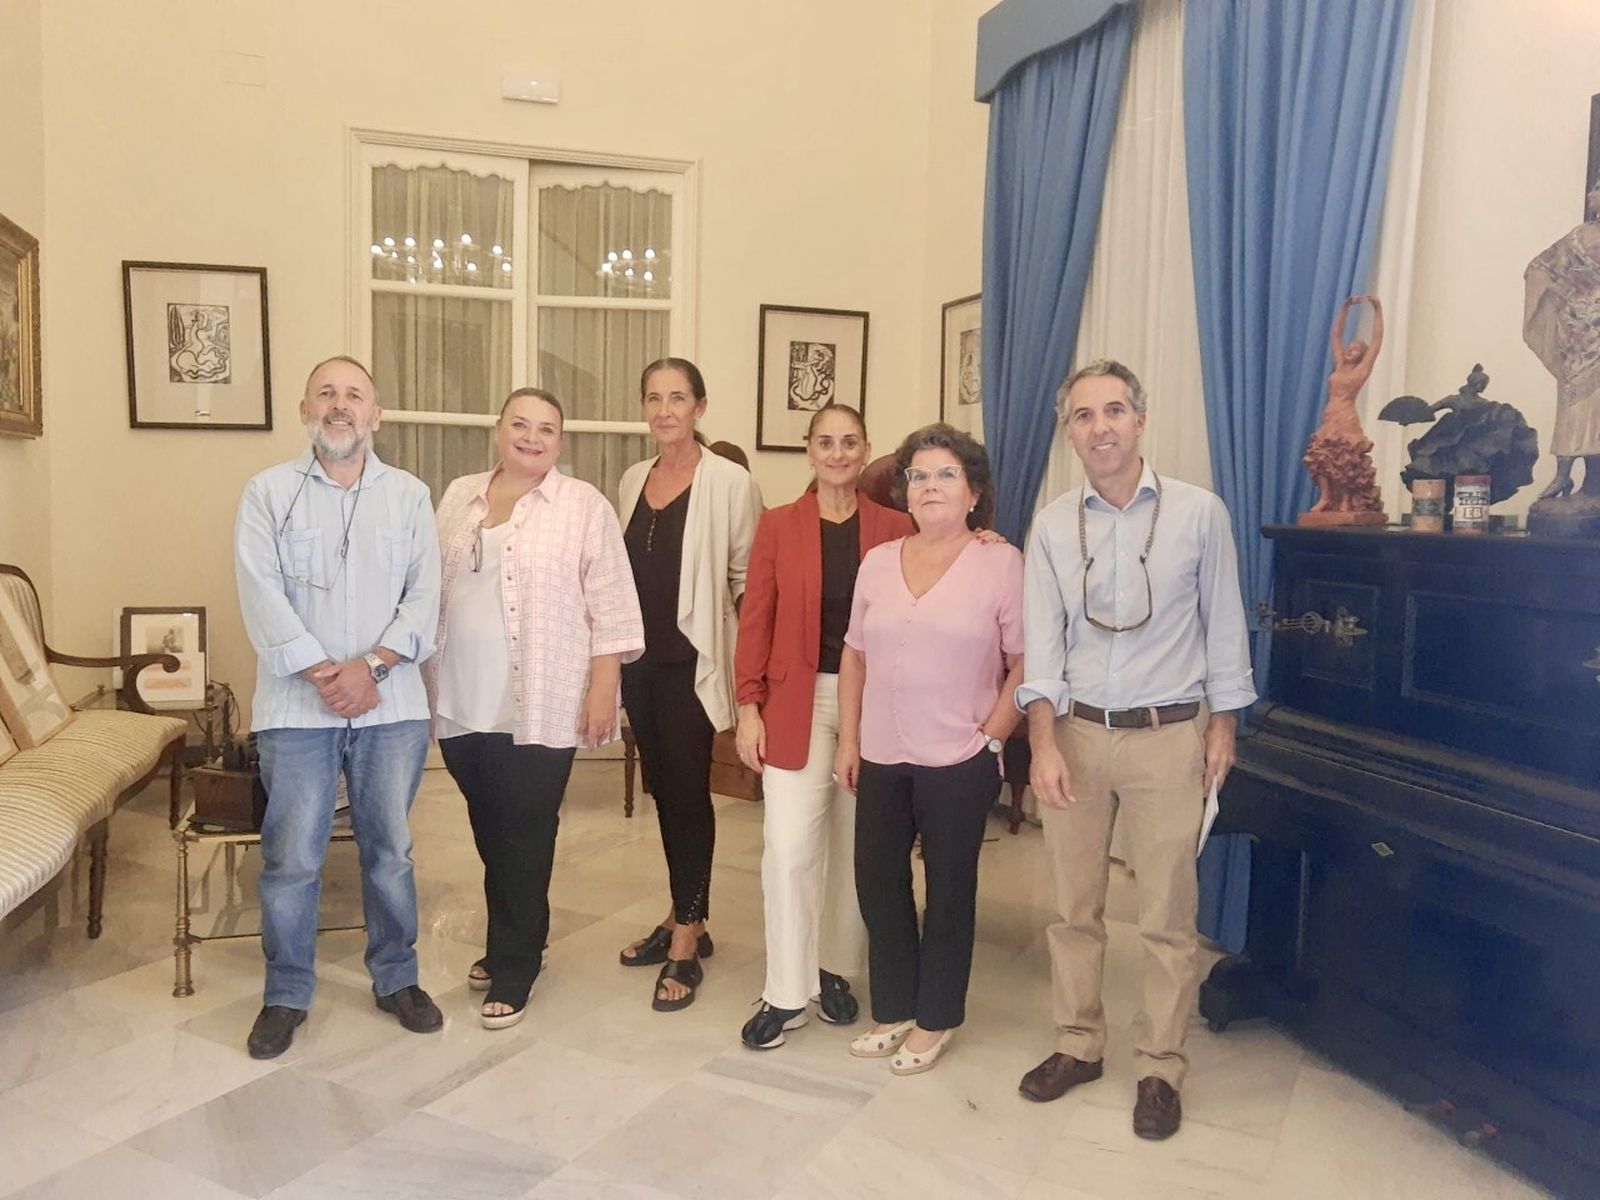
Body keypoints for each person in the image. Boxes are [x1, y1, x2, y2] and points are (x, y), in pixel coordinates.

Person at [1015, 359, 1256, 1139]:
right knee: (1074, 908)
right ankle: (1079, 1043)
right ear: (1071, 432)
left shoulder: (1198, 514)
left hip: (1168, 736)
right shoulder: (1053, 524)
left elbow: (1225, 626)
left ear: (1140, 421)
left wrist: (1223, 727)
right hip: (1078, 735)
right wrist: (1043, 743)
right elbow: (1041, 649)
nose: (1102, 427)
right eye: (1084, 416)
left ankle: (1159, 1065)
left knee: (1165, 916)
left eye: (1114, 410)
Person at [233, 355, 442, 1059]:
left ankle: (396, 978)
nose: (340, 405)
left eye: (354, 395)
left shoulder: (411, 496)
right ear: (305, 409)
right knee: (292, 857)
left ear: (375, 415)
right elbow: (260, 594)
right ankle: (286, 992)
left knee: (391, 852)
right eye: (327, 392)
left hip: (393, 706)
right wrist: (328, 673)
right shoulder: (266, 493)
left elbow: (425, 597)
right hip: (296, 708)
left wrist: (372, 666)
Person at [430, 388, 644, 1029]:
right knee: (490, 827)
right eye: (519, 425)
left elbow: (613, 604)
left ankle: (517, 961)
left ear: (560, 440)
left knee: (525, 828)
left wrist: (603, 687)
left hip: (543, 697)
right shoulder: (457, 496)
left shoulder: (584, 507)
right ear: (498, 430)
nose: (531, 437)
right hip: (460, 696)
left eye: (545, 428)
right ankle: (510, 940)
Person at [834, 423, 1024, 1075]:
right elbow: (854, 653)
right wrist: (848, 738)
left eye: (946, 474)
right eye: (918, 475)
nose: (930, 486)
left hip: (959, 757)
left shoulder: (1001, 562)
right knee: (878, 882)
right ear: (904, 491)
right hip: (883, 752)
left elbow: (1026, 661)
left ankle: (936, 1017)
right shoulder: (879, 560)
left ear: (973, 491)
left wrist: (992, 737)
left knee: (949, 891)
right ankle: (895, 1006)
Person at [733, 404, 913, 1049]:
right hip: (794, 701)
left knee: (852, 844)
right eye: (825, 442)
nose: (838, 453)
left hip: (874, 704)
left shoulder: (898, 527)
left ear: (866, 449)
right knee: (787, 846)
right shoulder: (779, 526)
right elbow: (755, 617)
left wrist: (986, 541)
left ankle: (835, 968)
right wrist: (747, 704)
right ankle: (784, 990)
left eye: (849, 442)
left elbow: (943, 574)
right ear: (808, 451)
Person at [616, 357, 760, 1011]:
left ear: (700, 407)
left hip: (692, 665)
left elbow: (747, 588)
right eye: (654, 398)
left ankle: (687, 936)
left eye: (678, 398)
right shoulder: (630, 479)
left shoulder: (729, 482)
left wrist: (749, 683)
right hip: (639, 664)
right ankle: (684, 915)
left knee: (687, 794)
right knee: (663, 794)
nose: (665, 410)